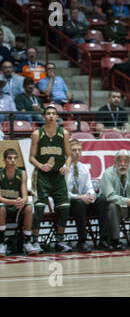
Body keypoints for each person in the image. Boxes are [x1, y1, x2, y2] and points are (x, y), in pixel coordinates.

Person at [30, 105, 72, 254]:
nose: (51, 116)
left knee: (65, 208)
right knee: (40, 208)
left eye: (54, 113)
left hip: (58, 177)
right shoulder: (37, 134)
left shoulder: (64, 133)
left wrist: (66, 167)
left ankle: (59, 240)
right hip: (42, 176)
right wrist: (41, 166)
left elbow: (69, 156)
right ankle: (34, 241)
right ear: (43, 117)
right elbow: (31, 158)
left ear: (57, 116)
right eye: (48, 113)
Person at [66, 139, 110, 252]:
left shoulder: (84, 168)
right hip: (69, 204)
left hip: (84, 201)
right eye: (74, 150)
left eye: (79, 150)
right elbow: (64, 193)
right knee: (79, 202)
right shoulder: (64, 169)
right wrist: (80, 197)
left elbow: (89, 187)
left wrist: (91, 195)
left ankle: (104, 240)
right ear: (68, 151)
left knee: (102, 200)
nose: (77, 152)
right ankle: (82, 241)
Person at [0, 148, 37, 256]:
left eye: (15, 158)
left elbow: (25, 196)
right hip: (5, 205)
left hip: (16, 206)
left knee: (29, 207)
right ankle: (1, 243)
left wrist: (22, 200)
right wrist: (13, 202)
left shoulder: (22, 173)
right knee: (1, 208)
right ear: (4, 160)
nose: (13, 161)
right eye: (10, 158)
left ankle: (27, 242)